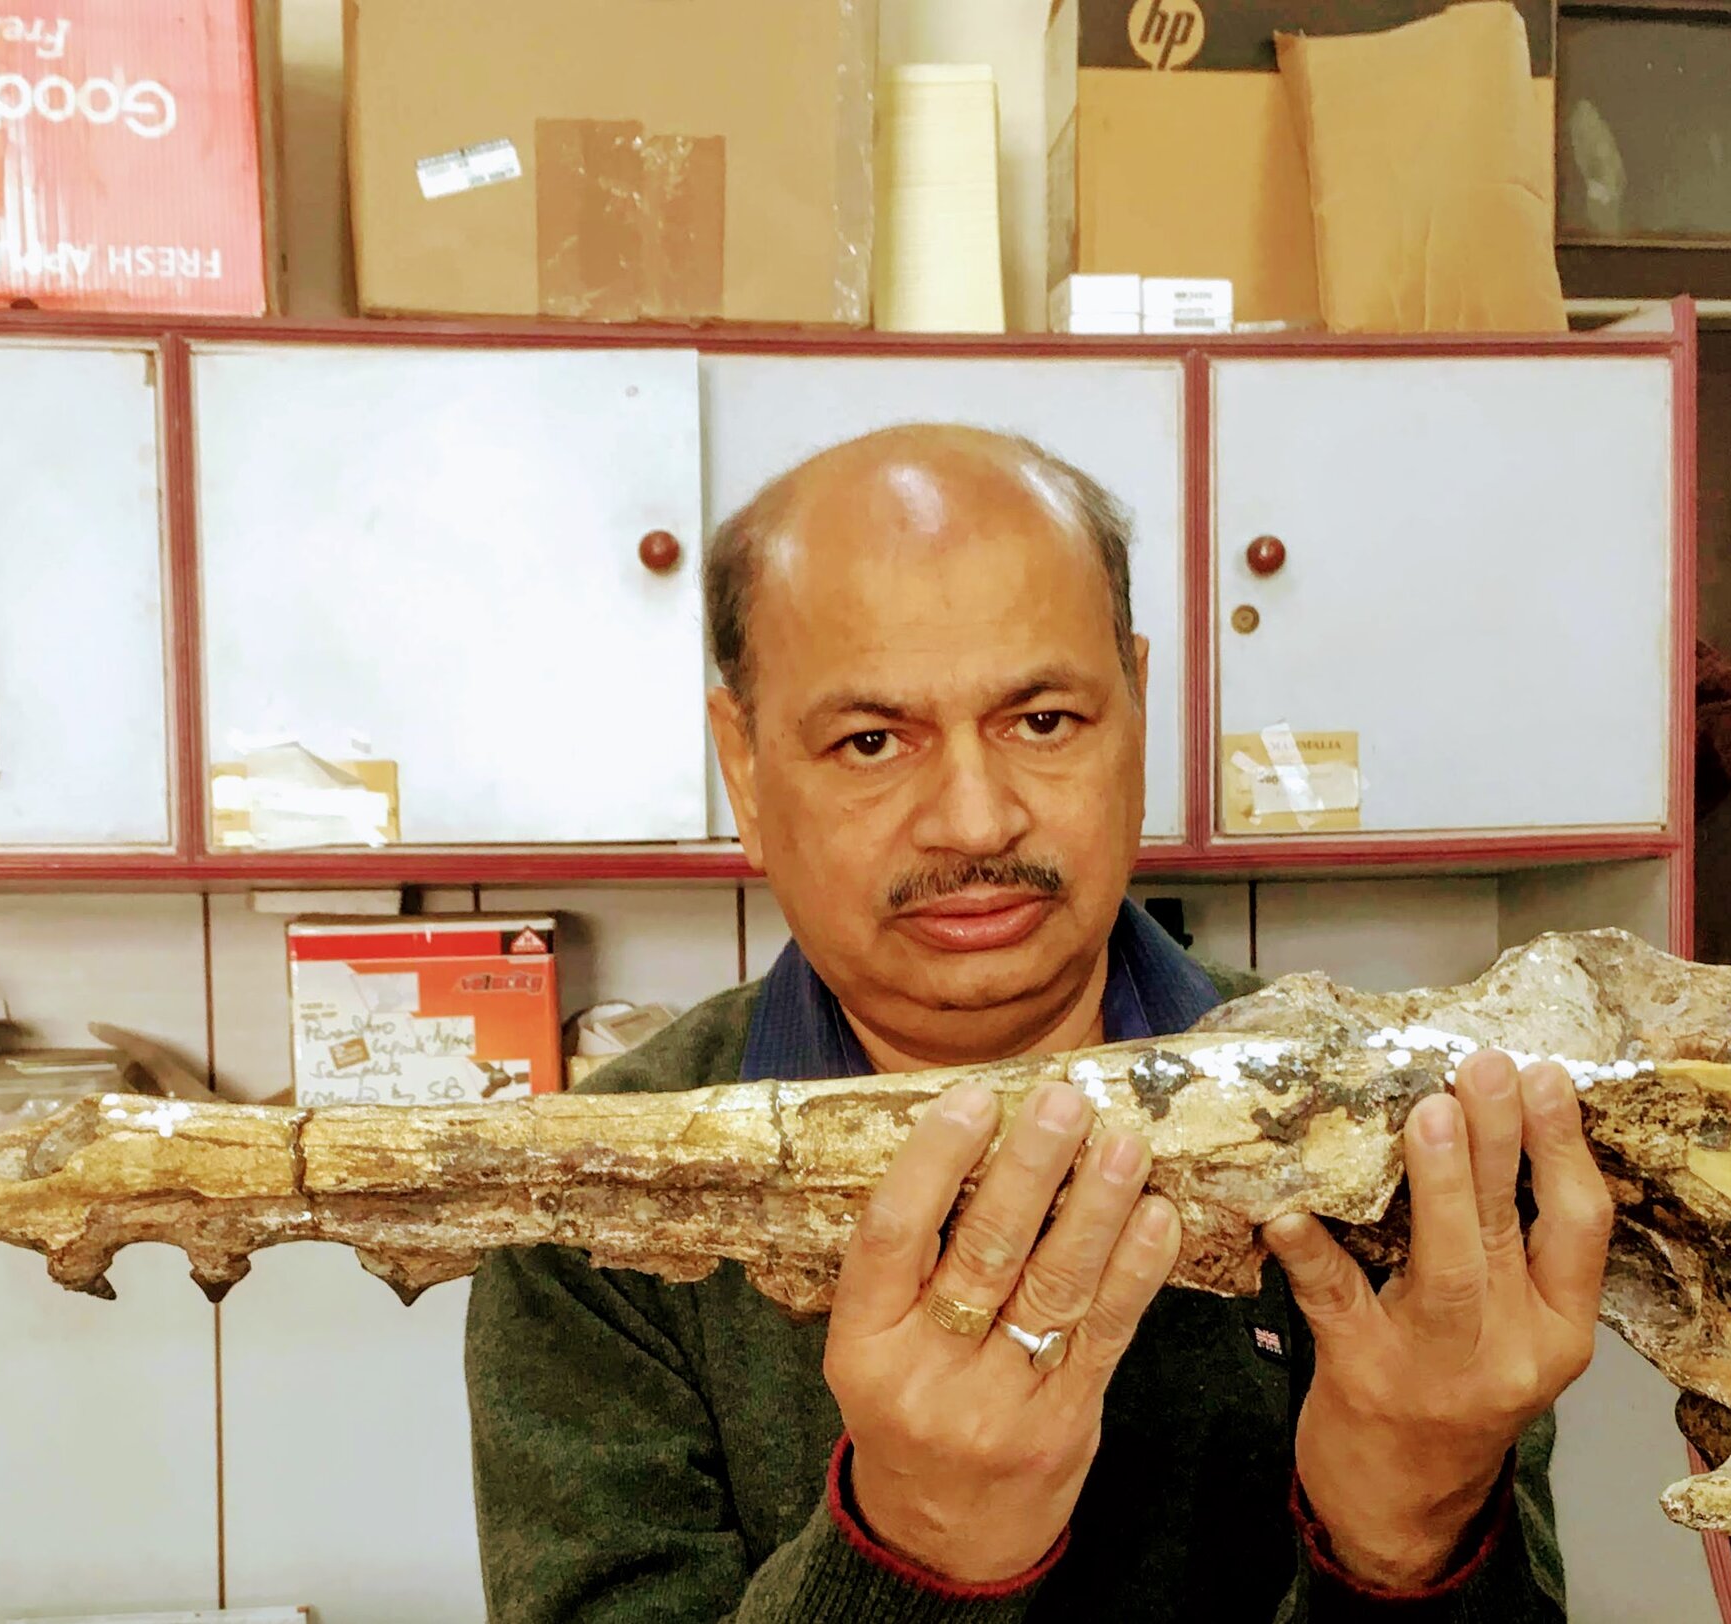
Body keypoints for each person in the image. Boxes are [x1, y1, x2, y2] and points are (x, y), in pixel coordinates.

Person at [466, 425, 1612, 1621]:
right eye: (871, 741)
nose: (974, 819)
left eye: (1044, 721)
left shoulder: (1394, 1137)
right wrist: (910, 1546)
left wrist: (1408, 1538)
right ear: (744, 771)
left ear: (1136, 707)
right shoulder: (587, 1215)